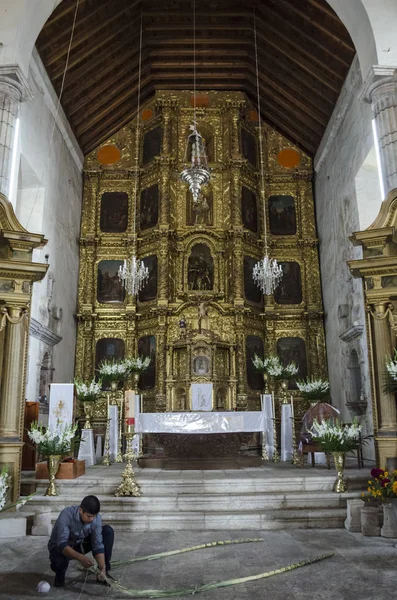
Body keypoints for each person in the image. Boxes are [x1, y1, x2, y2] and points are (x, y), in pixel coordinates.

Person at [48, 495, 114, 588]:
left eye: (94, 516)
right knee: (59, 562)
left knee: (107, 531)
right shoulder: (67, 514)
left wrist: (102, 567)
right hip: (61, 548)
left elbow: (97, 544)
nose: (91, 519)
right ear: (80, 510)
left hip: (79, 544)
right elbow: (62, 544)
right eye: (89, 516)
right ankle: (60, 574)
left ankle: (103, 574)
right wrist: (81, 558)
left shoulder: (96, 519)